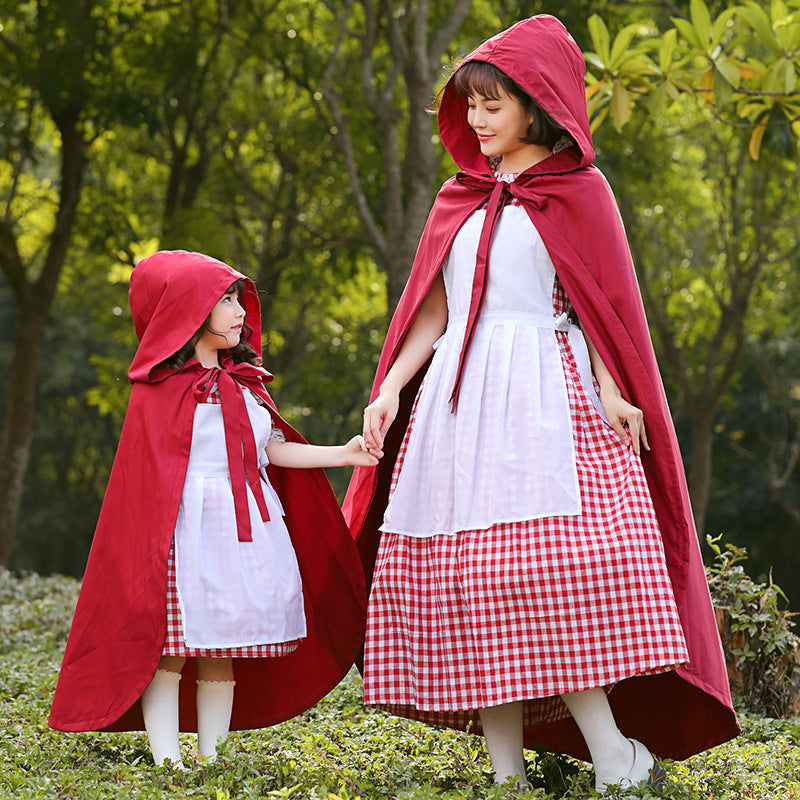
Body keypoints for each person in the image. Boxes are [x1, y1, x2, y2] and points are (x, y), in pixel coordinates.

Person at [343, 15, 739, 794]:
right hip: (459, 405)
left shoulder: (579, 190)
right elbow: (432, 309)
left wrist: (613, 390)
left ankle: (617, 753)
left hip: (543, 398)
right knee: (472, 587)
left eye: (493, 104)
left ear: (537, 103)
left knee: (549, 577)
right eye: (472, 105)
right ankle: (506, 776)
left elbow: (601, 308)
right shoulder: (459, 196)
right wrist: (388, 388)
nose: (477, 119)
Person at [50, 250, 377, 768]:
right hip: (183, 532)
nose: (238, 309)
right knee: (173, 646)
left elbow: (270, 451)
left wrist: (343, 453)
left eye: (236, 298)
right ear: (186, 311)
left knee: (221, 646)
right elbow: (142, 485)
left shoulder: (247, 386)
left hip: (244, 530)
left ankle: (212, 760)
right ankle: (167, 762)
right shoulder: (156, 392)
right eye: (222, 299)